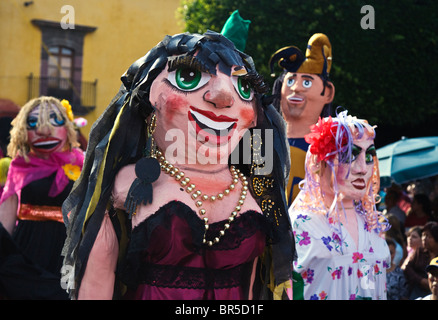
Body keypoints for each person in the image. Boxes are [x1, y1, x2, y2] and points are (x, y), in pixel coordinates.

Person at [61, 30, 293, 300]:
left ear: (255, 117)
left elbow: (266, 279)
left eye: (243, 88)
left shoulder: (257, 186)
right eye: (188, 77)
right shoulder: (125, 184)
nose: (223, 97)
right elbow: (96, 285)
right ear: (148, 102)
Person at [289, 110, 391, 300]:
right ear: (320, 163)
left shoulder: (373, 223)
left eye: (368, 156)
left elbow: (371, 283)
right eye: (348, 155)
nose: (362, 169)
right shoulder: (300, 224)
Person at [0, 96, 84, 299]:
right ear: (23, 131)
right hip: (28, 245)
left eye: (54, 121)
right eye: (33, 123)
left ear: (67, 127)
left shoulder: (82, 164)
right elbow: (7, 212)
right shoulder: (20, 165)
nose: (44, 131)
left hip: (66, 247)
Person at [269, 33, 335, 206]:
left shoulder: (334, 152)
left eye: (307, 82)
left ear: (327, 93)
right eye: (290, 81)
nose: (296, 88)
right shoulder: (261, 142)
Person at [403, 221, 438, 299]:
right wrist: (421, 280)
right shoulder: (420, 251)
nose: (424, 239)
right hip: (417, 289)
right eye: (423, 235)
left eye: (429, 236)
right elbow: (407, 268)